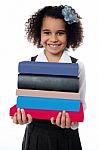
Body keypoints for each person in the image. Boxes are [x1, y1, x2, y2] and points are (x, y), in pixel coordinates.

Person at [12, 5, 86, 150]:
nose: (53, 39)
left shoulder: (77, 65)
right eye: (47, 32)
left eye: (60, 33)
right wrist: (20, 117)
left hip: (66, 137)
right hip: (36, 136)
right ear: (39, 34)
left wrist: (72, 122)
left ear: (69, 34)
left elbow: (81, 104)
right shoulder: (29, 64)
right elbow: (26, 101)